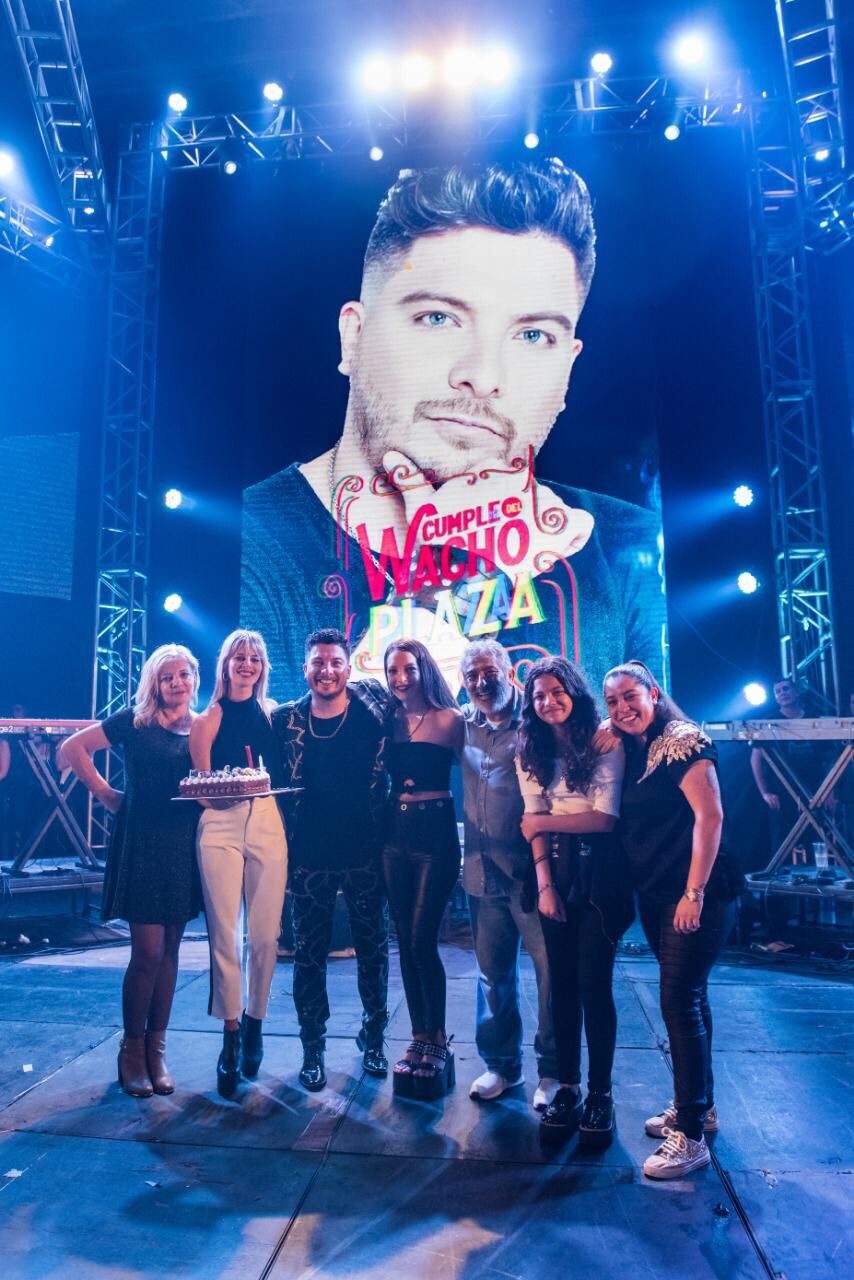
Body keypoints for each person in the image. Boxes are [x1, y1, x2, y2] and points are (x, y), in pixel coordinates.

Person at [241, 159, 667, 700]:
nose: (483, 377)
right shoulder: (256, 538)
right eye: (438, 318)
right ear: (354, 337)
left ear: (567, 371)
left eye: (533, 335)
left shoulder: (629, 548)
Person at [603, 660, 744, 1179]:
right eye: (612, 702)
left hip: (697, 893)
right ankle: (698, 1107)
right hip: (662, 892)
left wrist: (695, 893)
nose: (622, 708)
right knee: (692, 999)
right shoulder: (637, 744)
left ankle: (689, 1137)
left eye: (630, 697)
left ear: (654, 693)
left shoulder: (682, 739)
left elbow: (711, 817)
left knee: (678, 1002)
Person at [60, 645, 202, 1097]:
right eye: (168, 677)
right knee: (147, 953)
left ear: (194, 679)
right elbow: (73, 747)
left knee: (172, 951)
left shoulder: (201, 728)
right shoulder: (135, 722)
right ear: (154, 684)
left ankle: (157, 1049)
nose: (177, 684)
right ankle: (131, 1050)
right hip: (142, 843)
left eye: (183, 675)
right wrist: (105, 793)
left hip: (183, 845)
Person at [516, 657, 632, 1148]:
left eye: (556, 692)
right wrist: (544, 885)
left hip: (600, 872)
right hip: (555, 874)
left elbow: (604, 820)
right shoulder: (531, 748)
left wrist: (542, 824)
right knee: (559, 985)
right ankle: (568, 1086)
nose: (548, 702)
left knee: (592, 985)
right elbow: (530, 819)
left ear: (574, 692)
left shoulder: (604, 740)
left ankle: (601, 1093)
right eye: (538, 696)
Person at [272, 627, 391, 1092]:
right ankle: (312, 1049)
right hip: (309, 856)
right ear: (306, 668)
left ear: (348, 666)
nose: (327, 670)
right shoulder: (286, 721)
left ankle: (375, 1037)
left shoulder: (373, 712)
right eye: (318, 662)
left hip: (365, 851)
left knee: (373, 951)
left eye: (335, 662)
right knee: (308, 955)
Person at [459, 639, 559, 1110]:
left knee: (549, 976)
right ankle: (502, 1066)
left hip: (533, 876)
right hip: (482, 873)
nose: (481, 683)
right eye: (471, 676)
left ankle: (555, 1073)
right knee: (492, 976)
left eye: (488, 672)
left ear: (508, 671)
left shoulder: (538, 720)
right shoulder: (462, 725)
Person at [190, 629, 287, 1098]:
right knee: (224, 934)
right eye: (239, 656)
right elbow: (198, 785)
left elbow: (285, 773)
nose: (247, 663)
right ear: (225, 664)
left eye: (254, 657)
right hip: (220, 824)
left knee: (266, 935)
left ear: (262, 666)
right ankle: (229, 1035)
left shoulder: (274, 715)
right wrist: (226, 794)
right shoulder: (207, 718)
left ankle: (255, 1020)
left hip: (267, 818)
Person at [383, 639, 464, 1098]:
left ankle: (437, 1038)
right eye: (393, 670)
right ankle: (418, 1036)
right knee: (405, 943)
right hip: (395, 836)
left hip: (436, 835)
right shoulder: (387, 721)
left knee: (421, 939)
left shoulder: (451, 720)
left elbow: (484, 769)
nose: (400, 677)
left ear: (424, 669)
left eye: (408, 669)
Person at [750, 677, 833, 859]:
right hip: (782, 790)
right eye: (778, 691)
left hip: (815, 789)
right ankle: (779, 883)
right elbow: (756, 758)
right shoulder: (769, 722)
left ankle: (818, 880)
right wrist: (765, 792)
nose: (782, 694)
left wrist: (830, 790)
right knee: (782, 840)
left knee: (817, 838)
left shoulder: (814, 717)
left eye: (786, 689)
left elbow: (830, 758)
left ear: (796, 692)